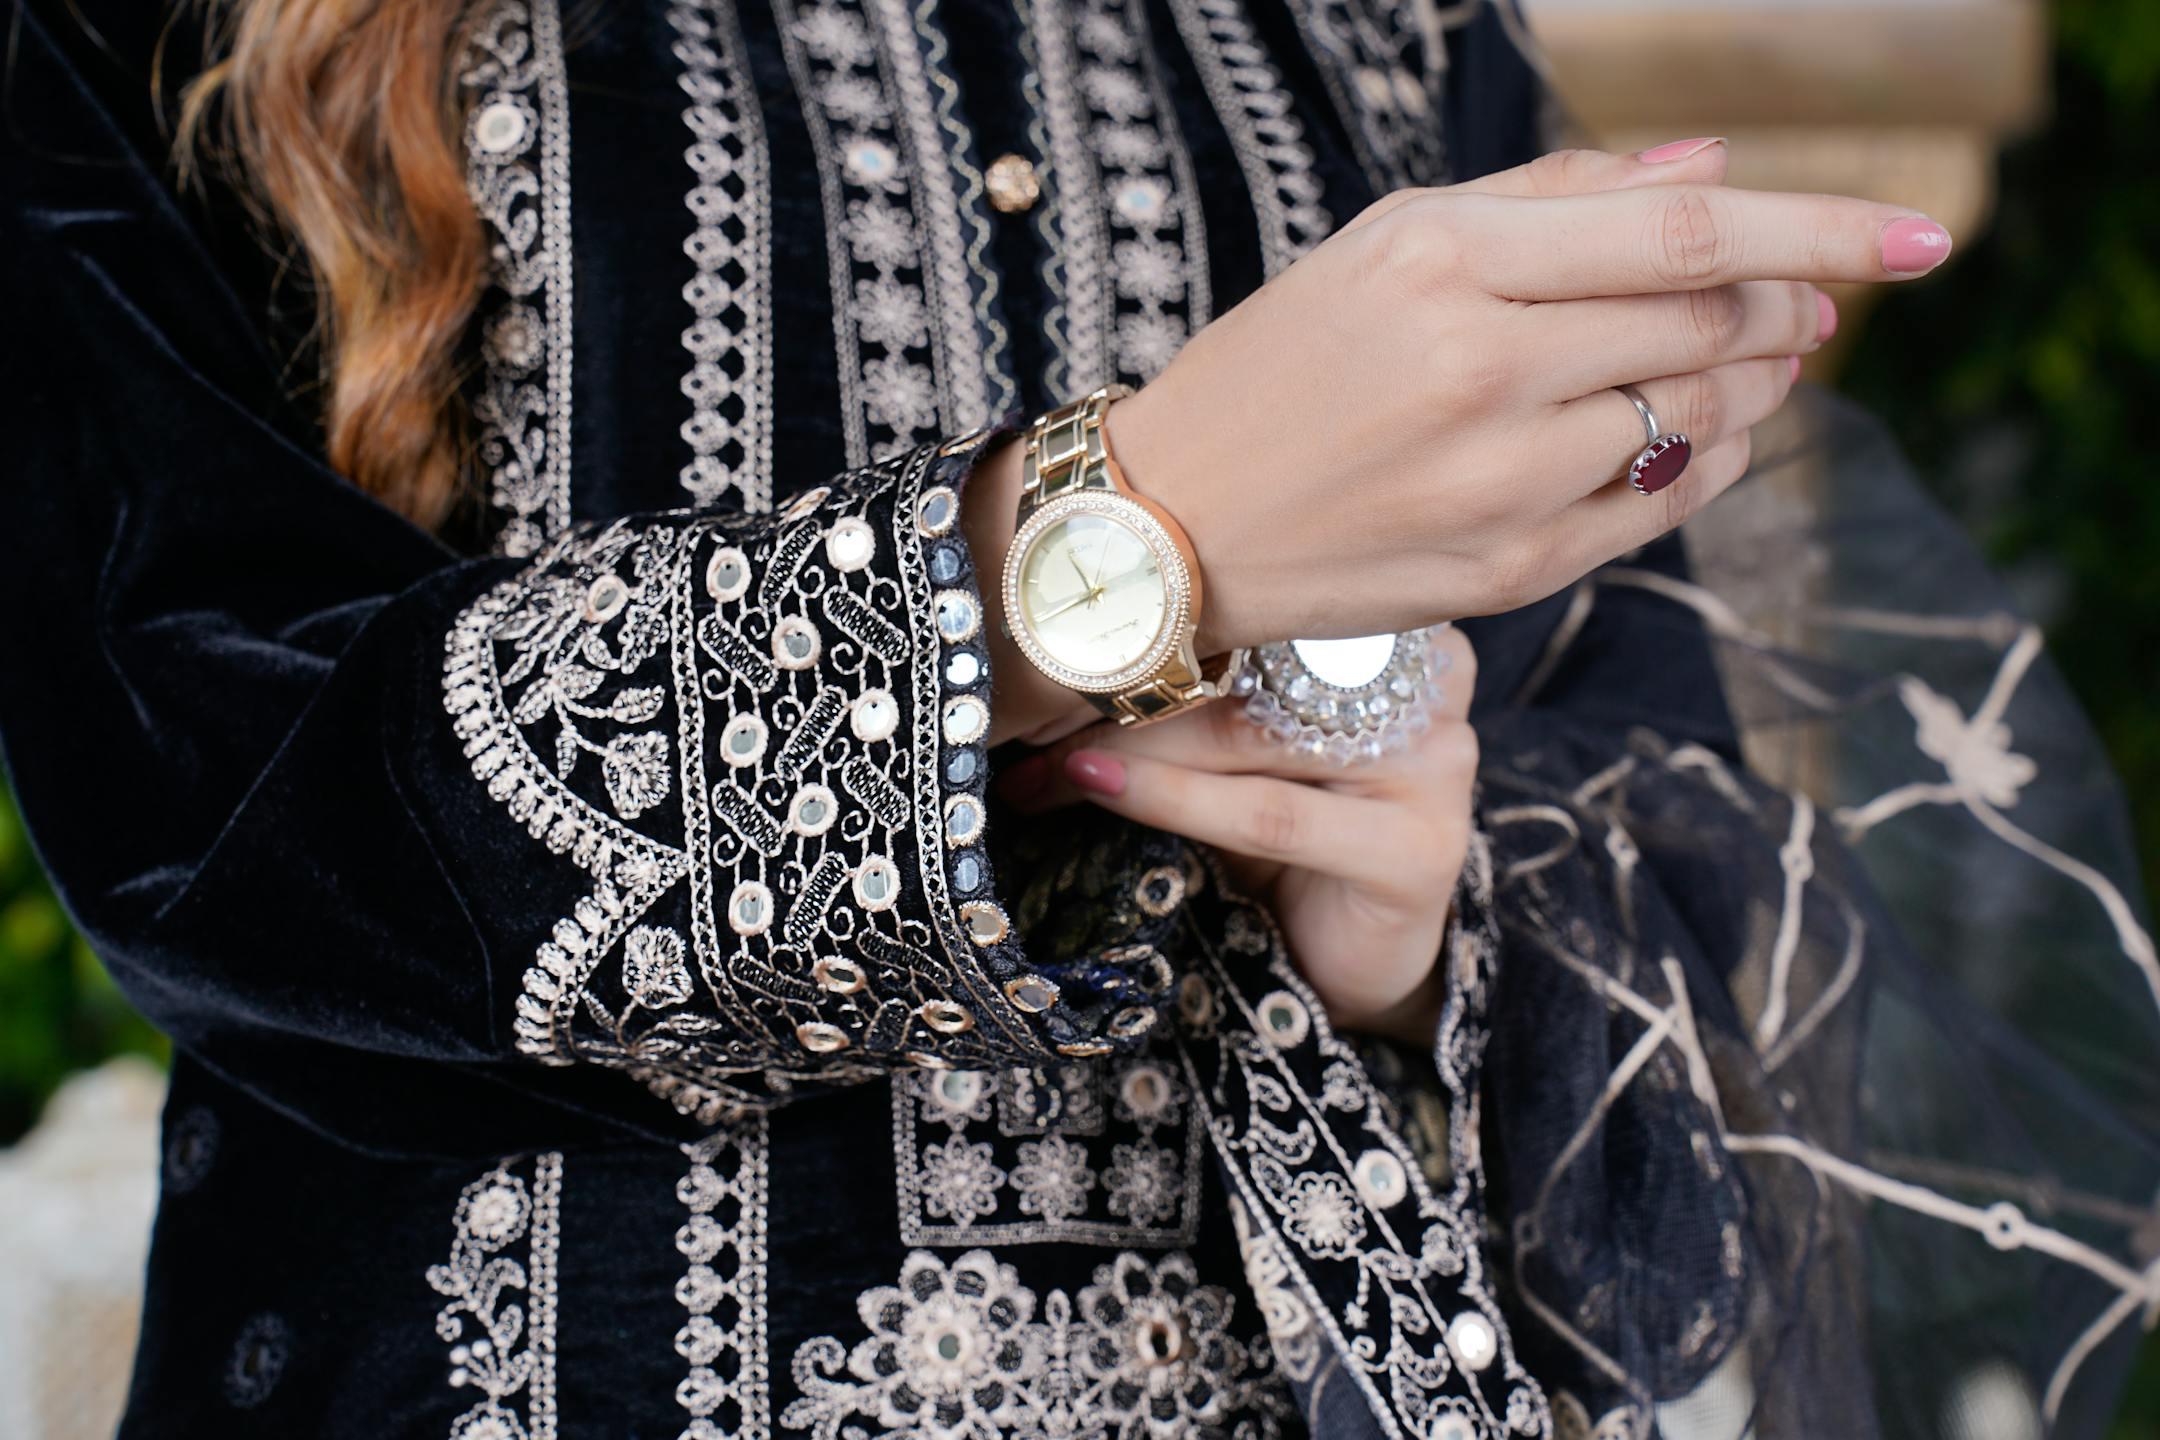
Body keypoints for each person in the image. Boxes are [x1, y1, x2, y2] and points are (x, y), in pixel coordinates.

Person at [2, 0, 2152, 1435]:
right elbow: (198, 801)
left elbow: (1653, 812)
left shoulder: (1379, 35)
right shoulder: (201, 27)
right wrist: (1092, 547)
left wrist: (1411, 934)